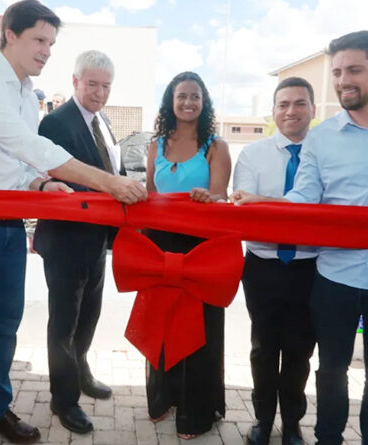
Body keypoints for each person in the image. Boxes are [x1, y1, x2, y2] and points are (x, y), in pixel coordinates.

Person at [0, 1, 147, 444]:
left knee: (5, 330)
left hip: (8, 225)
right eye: (38, 39)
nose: (46, 50)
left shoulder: (26, 93)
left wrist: (40, 185)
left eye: (51, 42)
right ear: (9, 34)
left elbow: (20, 163)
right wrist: (107, 183)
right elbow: (25, 143)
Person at [232, 30, 368, 445]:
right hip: (335, 276)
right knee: (330, 371)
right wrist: (261, 203)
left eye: (354, 70)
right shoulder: (321, 136)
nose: (342, 80)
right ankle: (327, 439)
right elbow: (304, 199)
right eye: (336, 72)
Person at [33, 50, 122, 434]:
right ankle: (63, 399)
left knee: (89, 315)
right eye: (92, 84)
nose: (99, 93)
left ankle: (81, 371)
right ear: (75, 82)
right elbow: (58, 176)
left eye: (105, 86)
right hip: (66, 240)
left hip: (97, 239)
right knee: (64, 324)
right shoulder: (55, 122)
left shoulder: (102, 122)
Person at [144, 71, 231, 440]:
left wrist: (208, 199)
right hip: (160, 247)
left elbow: (221, 198)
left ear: (204, 101)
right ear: (171, 100)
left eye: (195, 96)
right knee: (161, 325)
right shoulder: (155, 145)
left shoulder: (216, 146)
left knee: (201, 332)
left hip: (200, 249)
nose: (188, 102)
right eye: (182, 96)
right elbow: (148, 195)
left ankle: (198, 411)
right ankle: (164, 398)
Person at [233, 77, 317, 445]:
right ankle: (262, 420)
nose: (291, 111)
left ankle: (293, 424)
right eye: (283, 104)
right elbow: (247, 214)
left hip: (310, 267)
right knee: (263, 349)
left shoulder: (325, 155)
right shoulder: (253, 154)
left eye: (300, 103)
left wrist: (263, 202)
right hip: (263, 266)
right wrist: (276, 211)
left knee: (300, 353)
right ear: (273, 111)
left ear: (313, 109)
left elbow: (324, 210)